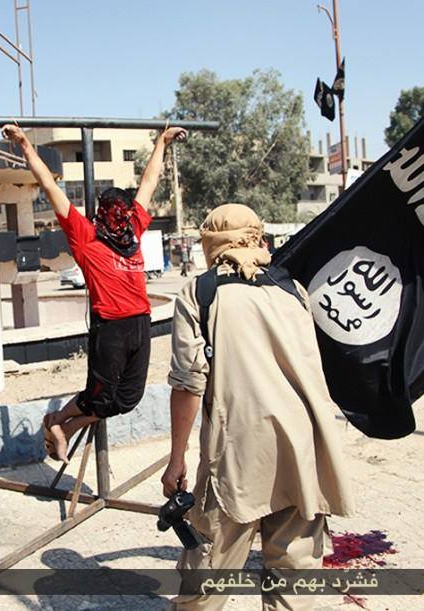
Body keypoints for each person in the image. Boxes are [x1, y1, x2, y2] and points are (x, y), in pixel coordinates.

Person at [161, 204, 354, 610]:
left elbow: (189, 384)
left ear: (211, 243)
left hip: (237, 455)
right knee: (294, 579)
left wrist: (176, 460)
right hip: (301, 451)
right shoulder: (292, 289)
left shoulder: (200, 293)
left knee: (207, 575)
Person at [3, 123, 185, 461]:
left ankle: (62, 424)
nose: (121, 220)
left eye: (123, 215)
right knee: (99, 397)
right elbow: (49, 185)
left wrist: (162, 142)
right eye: (117, 216)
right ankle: (60, 423)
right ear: (104, 215)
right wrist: (25, 143)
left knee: (128, 398)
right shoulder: (85, 236)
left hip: (140, 322)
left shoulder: (132, 229)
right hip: (110, 327)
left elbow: (149, 182)